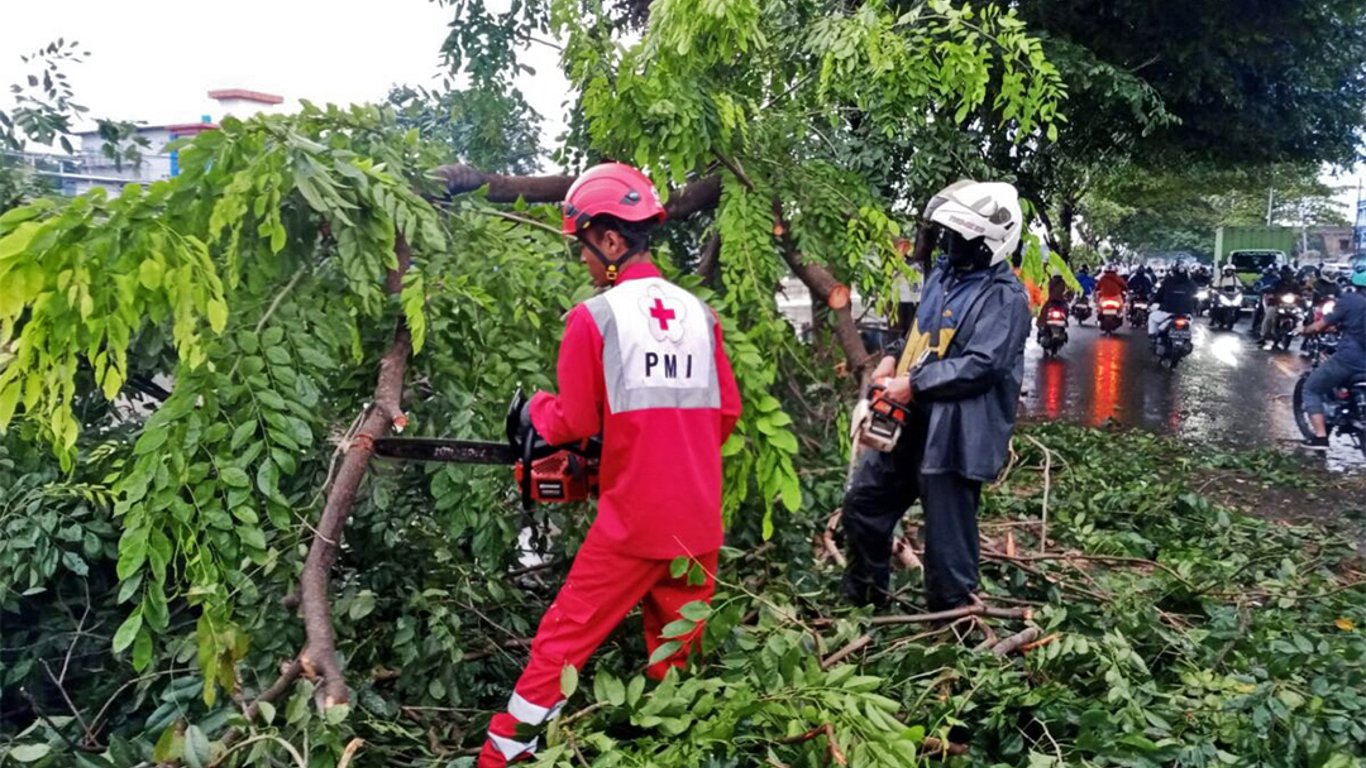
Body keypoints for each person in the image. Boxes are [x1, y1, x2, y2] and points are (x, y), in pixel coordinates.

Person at [479, 163, 742, 768]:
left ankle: (503, 756)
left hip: (633, 526)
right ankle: (678, 751)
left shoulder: (593, 318)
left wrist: (536, 415)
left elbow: (574, 423)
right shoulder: (700, 317)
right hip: (698, 523)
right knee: (678, 659)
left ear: (613, 240)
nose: (584, 262)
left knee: (561, 644)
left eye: (585, 247)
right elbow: (724, 415)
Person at [841, 179, 1031, 611]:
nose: (949, 243)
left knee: (947, 546)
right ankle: (866, 607)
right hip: (910, 425)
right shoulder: (944, 275)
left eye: (961, 237)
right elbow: (921, 333)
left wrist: (914, 384)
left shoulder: (1005, 298)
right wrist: (892, 359)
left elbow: (982, 366)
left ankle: (953, 630)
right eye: (948, 233)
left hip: (954, 437)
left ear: (989, 244)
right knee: (863, 505)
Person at [1296, 254, 1366, 449]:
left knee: (1311, 388)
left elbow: (1320, 325)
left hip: (1352, 357)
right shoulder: (1318, 286)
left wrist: (1305, 330)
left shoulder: (1350, 300)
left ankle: (1320, 437)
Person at [1148, 262, 1198, 340]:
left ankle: (1153, 337)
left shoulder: (1168, 281)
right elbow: (1196, 297)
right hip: (1186, 313)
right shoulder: (1191, 283)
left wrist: (1154, 302)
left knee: (1152, 317)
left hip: (1168, 311)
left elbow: (1158, 295)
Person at [1260, 265, 1303, 346]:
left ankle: (1299, 331)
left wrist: (1299, 297)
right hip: (1277, 304)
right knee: (1269, 316)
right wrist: (1271, 294)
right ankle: (1264, 335)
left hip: (1291, 305)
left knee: (1301, 316)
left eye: (1289, 273)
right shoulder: (1277, 283)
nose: (1287, 275)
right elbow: (1270, 290)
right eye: (1285, 273)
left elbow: (1300, 294)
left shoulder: (1295, 284)